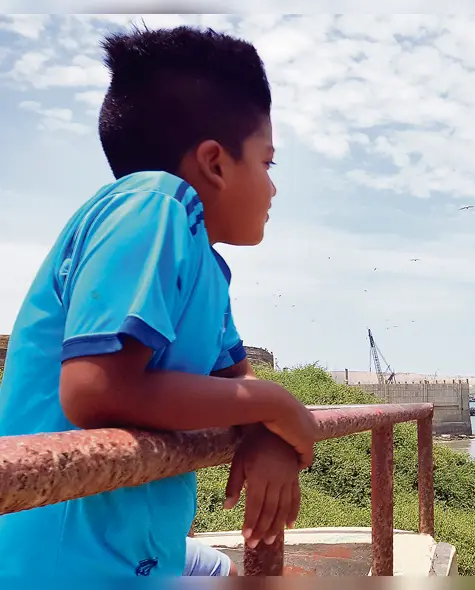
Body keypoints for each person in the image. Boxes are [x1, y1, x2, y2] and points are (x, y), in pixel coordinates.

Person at [0, 25, 320, 576]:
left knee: (220, 571)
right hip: (61, 561)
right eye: (267, 164)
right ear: (215, 163)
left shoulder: (206, 265)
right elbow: (95, 390)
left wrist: (267, 436)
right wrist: (275, 405)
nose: (273, 188)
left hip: (137, 553)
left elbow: (233, 383)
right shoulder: (152, 206)